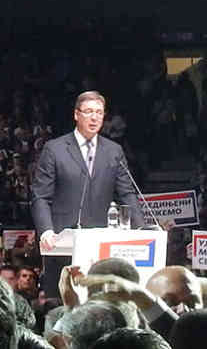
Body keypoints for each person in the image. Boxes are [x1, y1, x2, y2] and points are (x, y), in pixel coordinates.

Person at [31, 92, 145, 283]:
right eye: (88, 111)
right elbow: (40, 196)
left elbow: (126, 193)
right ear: (76, 114)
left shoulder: (113, 151)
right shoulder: (55, 149)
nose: (94, 117)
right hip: (62, 244)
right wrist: (46, 231)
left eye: (99, 113)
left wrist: (141, 229)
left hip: (99, 247)